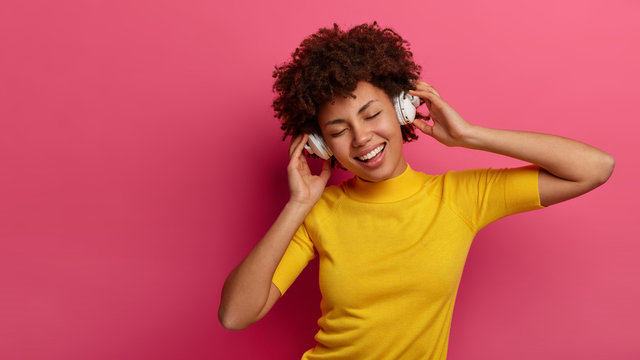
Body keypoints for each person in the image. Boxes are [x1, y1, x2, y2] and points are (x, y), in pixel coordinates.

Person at [218, 22, 614, 359]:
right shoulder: (319, 212)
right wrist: (298, 204)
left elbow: (594, 168)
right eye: (338, 131)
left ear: (402, 109)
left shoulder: (461, 197)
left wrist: (468, 136)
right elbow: (235, 315)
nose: (361, 138)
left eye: (372, 114)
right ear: (322, 146)